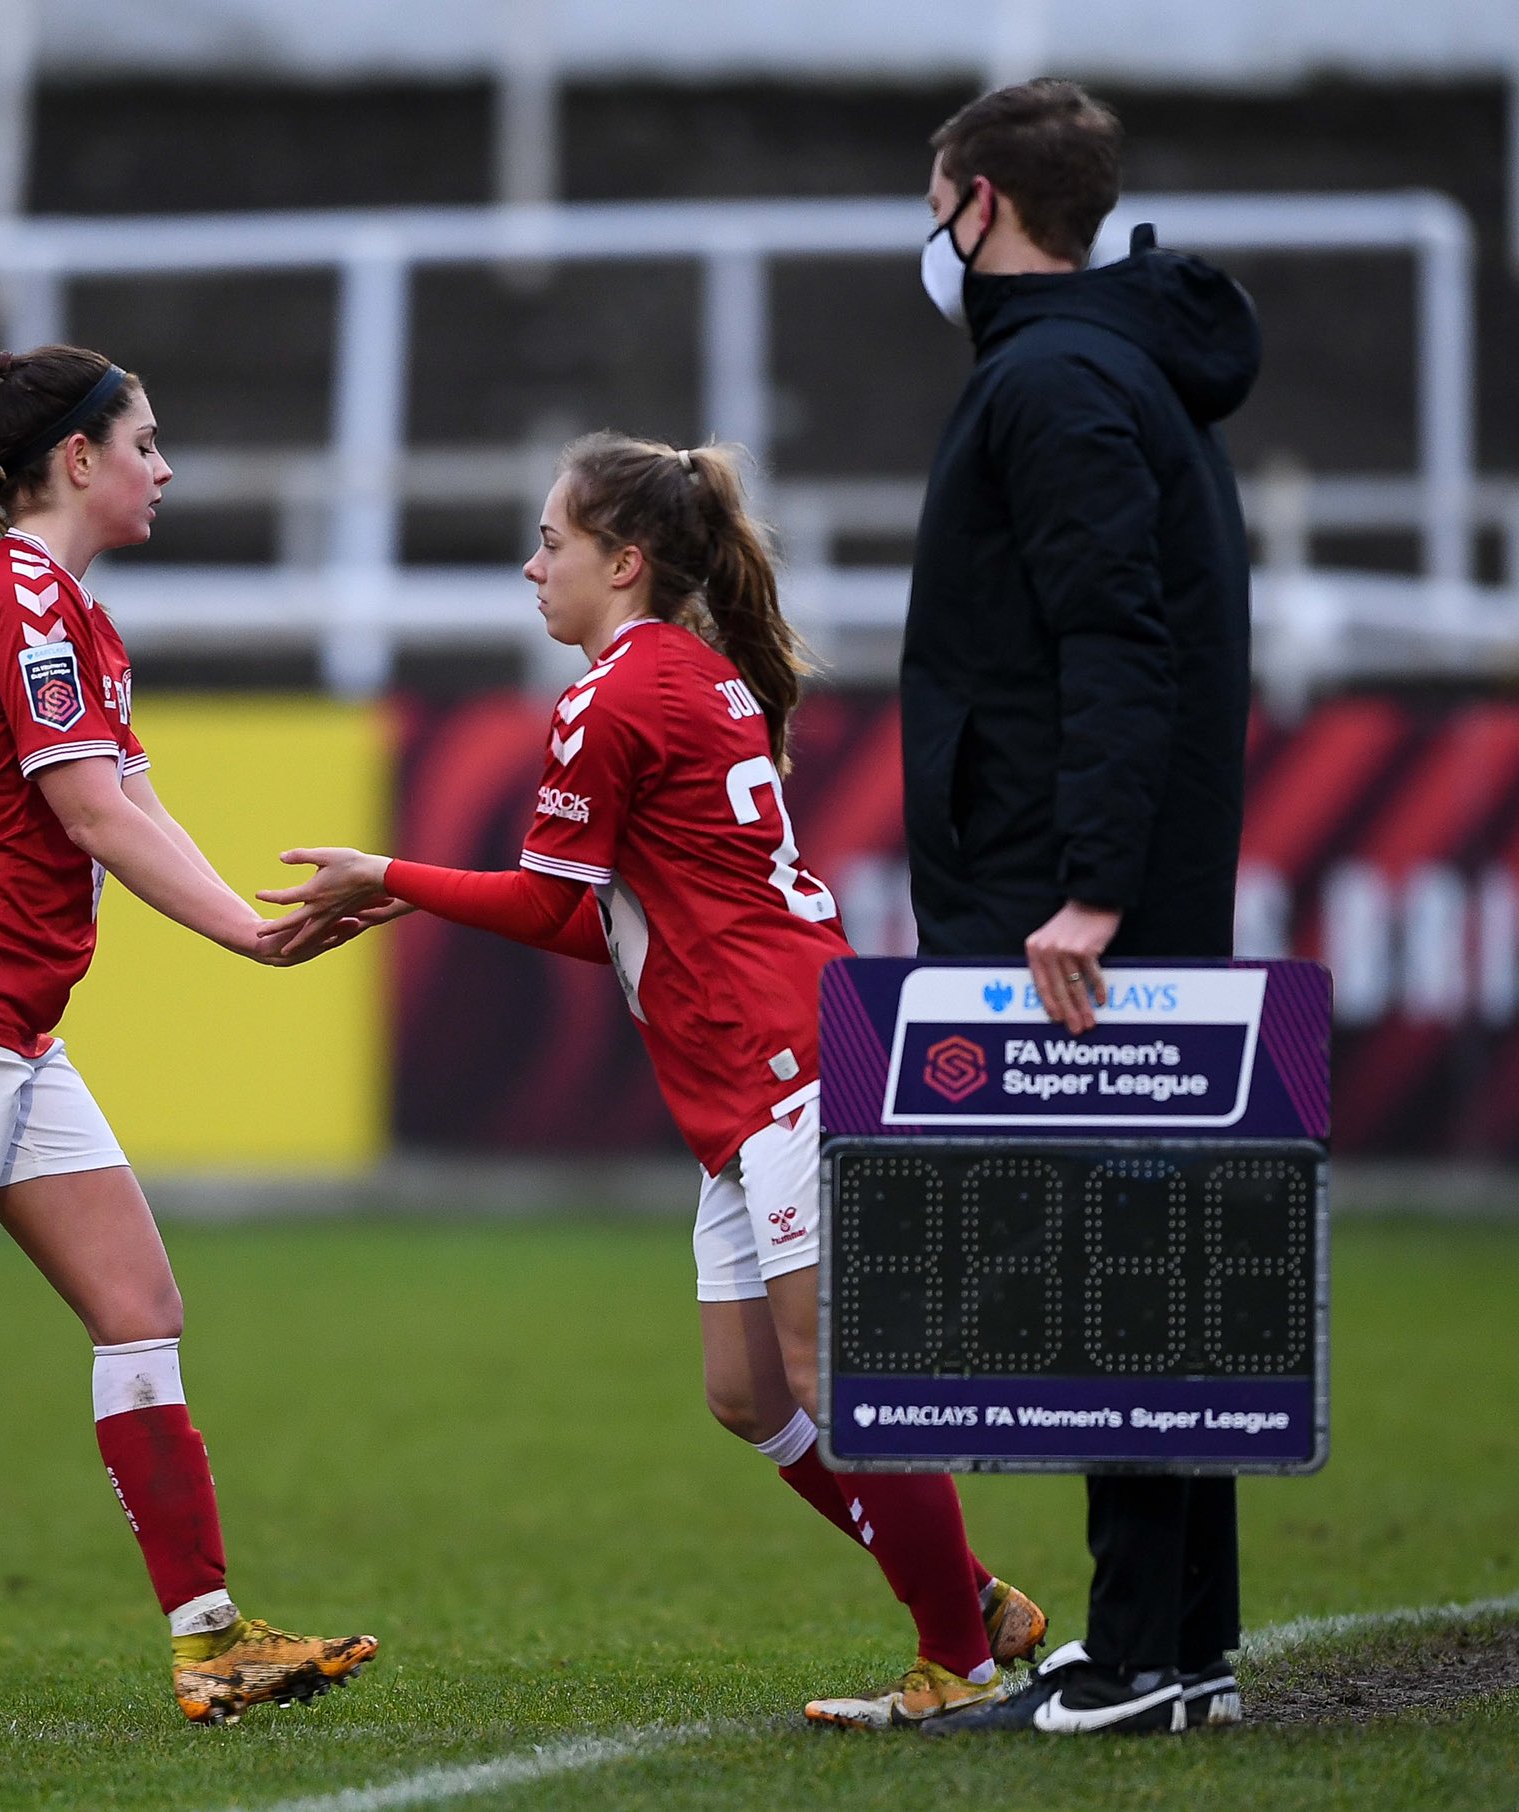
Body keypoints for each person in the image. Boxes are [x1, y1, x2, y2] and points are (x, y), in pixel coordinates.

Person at [258, 431, 1047, 1730]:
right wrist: (423, 895)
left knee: (831, 1378)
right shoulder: (691, 674)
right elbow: (606, 922)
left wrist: (387, 873)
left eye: (551, 543)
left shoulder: (614, 696)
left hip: (790, 1063)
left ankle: (956, 1663)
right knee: (749, 1394)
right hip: (757, 1078)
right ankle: (970, 1602)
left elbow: (546, 900)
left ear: (623, 562)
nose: (533, 568)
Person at [0, 343, 376, 1733]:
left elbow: (132, 804)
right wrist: (249, 938)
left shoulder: (69, 614)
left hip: (6, 1020)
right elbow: (93, 816)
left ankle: (211, 1644)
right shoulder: (23, 596)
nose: (164, 468)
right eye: (146, 443)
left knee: (140, 1308)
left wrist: (259, 922)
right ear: (79, 460)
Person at [899, 81, 1260, 1736]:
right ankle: (1185, 1648)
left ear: (982, 203)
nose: (929, 232)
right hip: (1097, 887)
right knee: (1158, 1268)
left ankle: (1132, 1662)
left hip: (1077, 912)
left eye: (935, 200)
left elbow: (1117, 639)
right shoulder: (1111, 362)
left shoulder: (1053, 380)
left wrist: (1091, 893)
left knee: (1121, 1277)